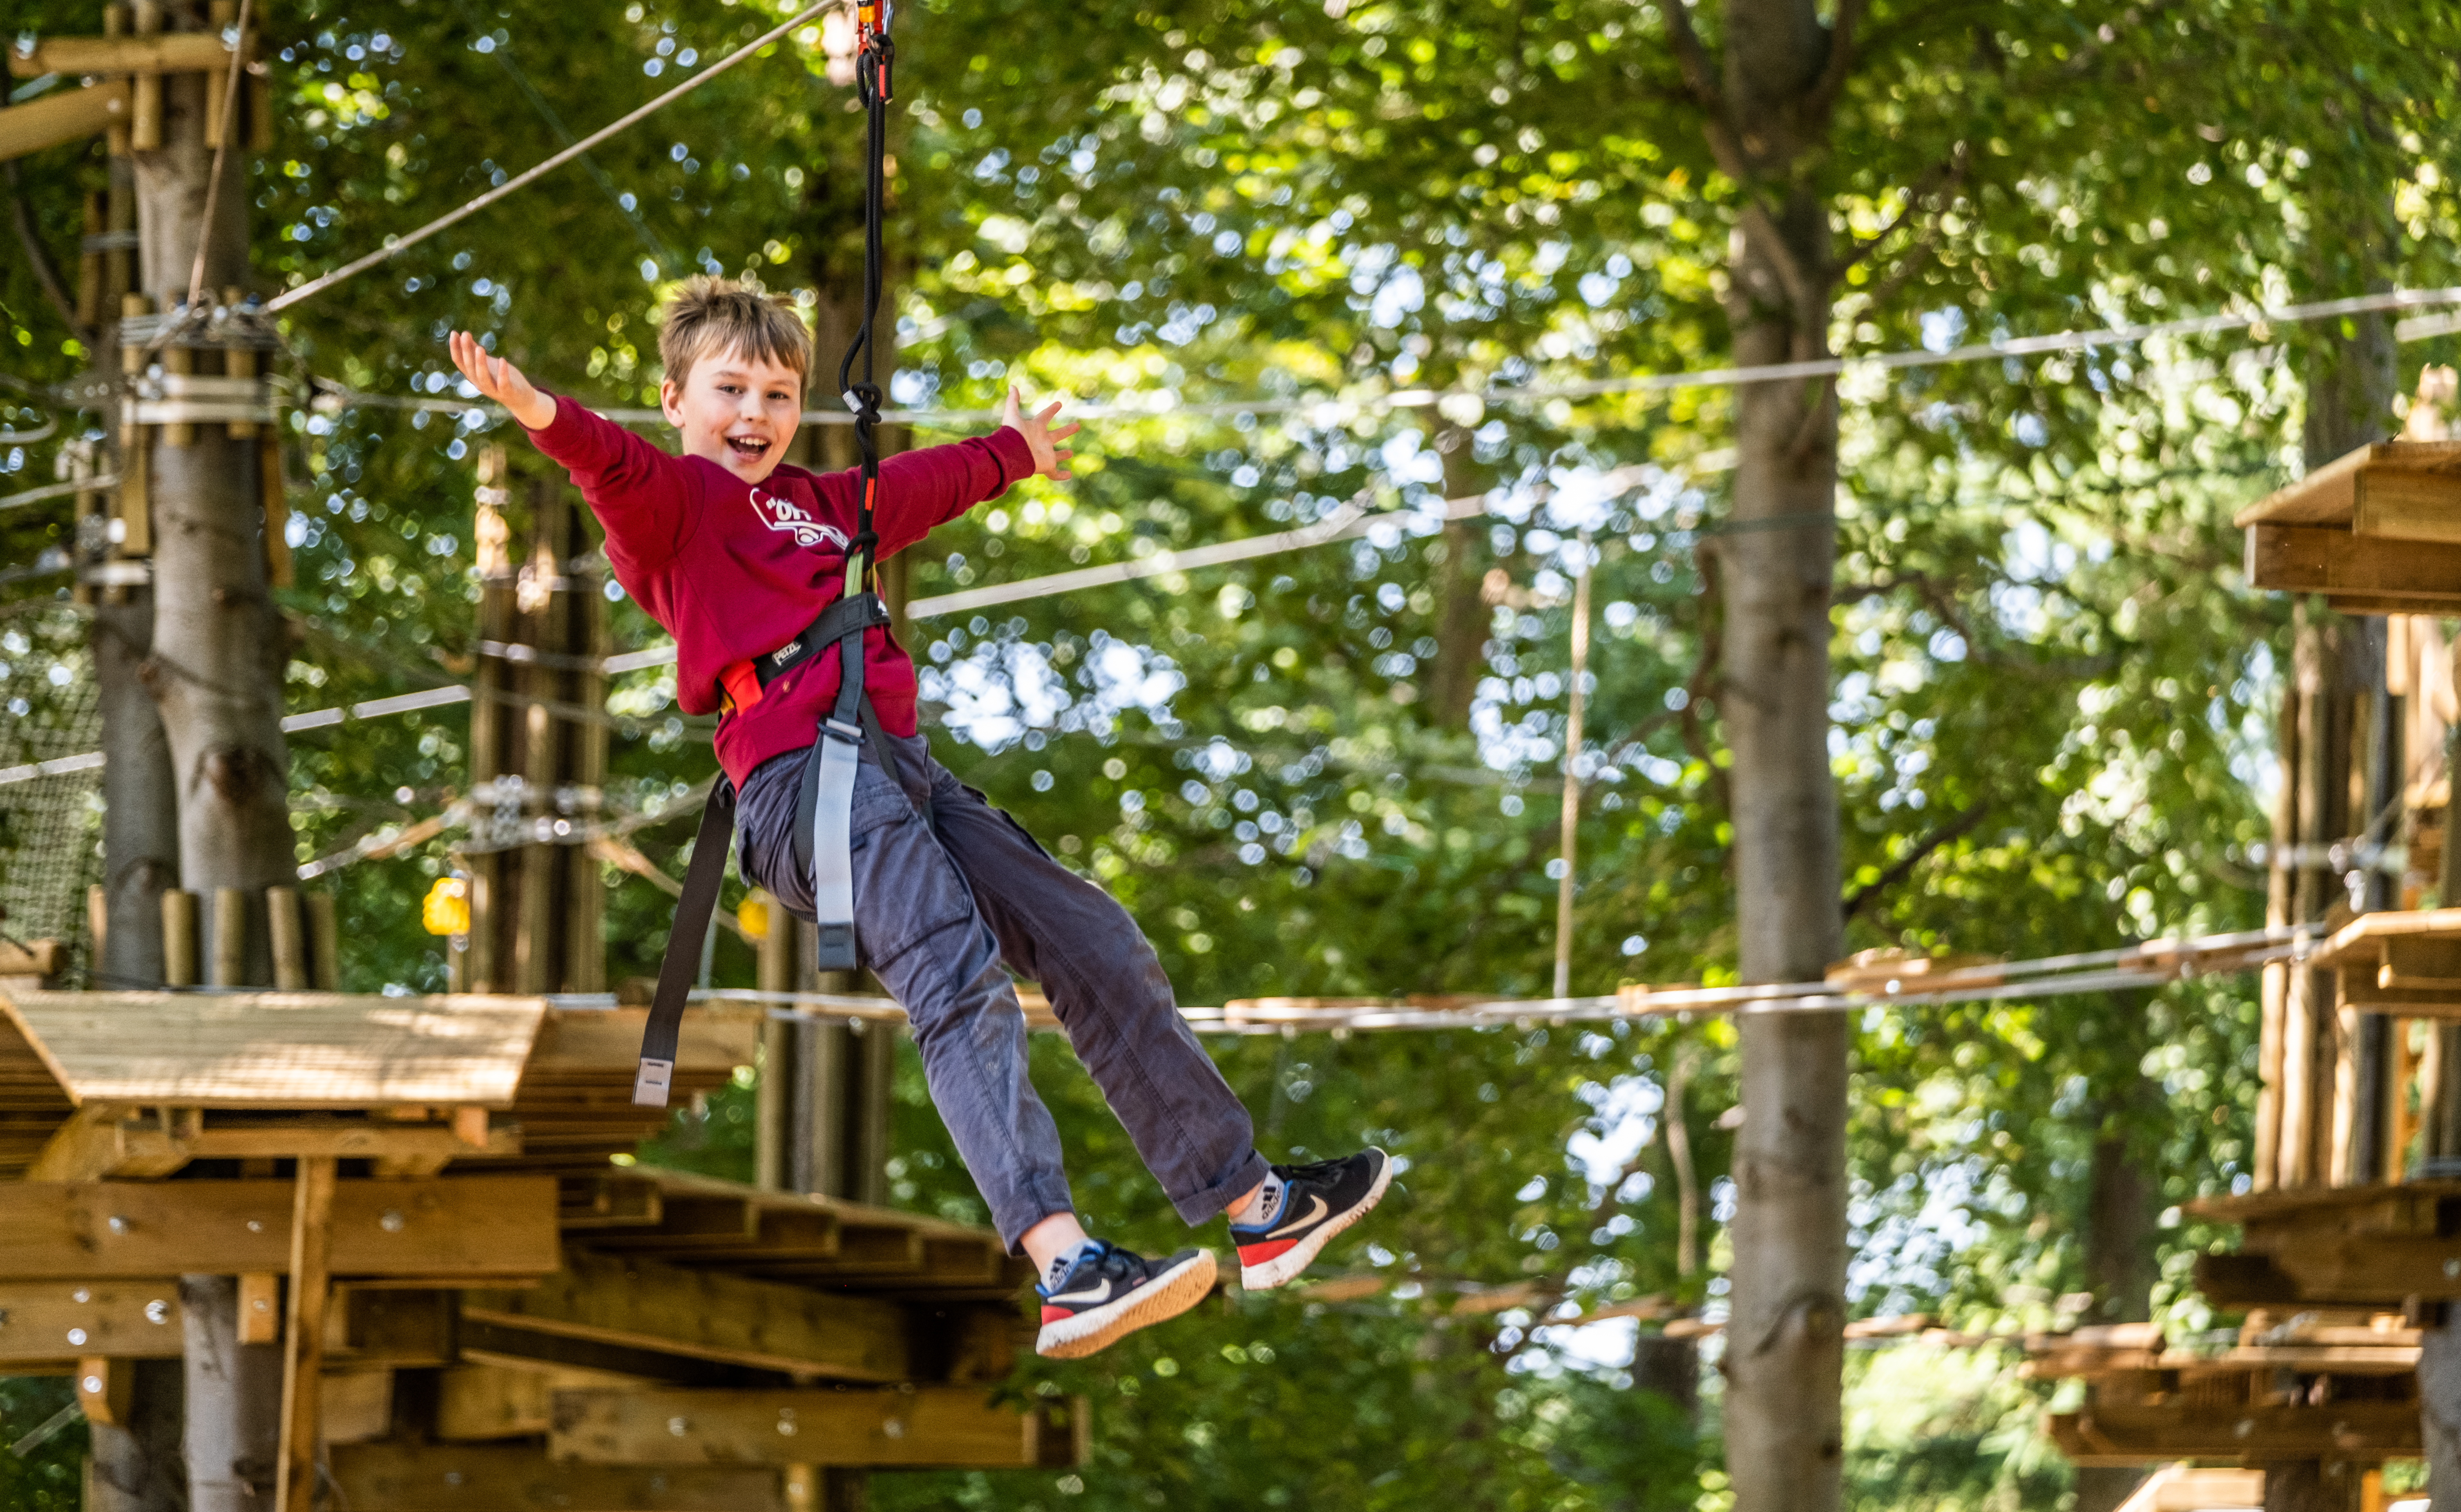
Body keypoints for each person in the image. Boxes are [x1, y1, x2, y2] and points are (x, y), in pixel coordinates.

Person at [448, 277, 1389, 1358]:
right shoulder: (672, 508)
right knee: (957, 976)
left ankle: (1254, 1206)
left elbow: (912, 487)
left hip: (903, 774)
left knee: (1094, 940)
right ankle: (1066, 1263)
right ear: (676, 401)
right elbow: (606, 467)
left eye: (778, 393)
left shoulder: (814, 500)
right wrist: (540, 414)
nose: (754, 415)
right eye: (730, 391)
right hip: (806, 782)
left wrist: (1013, 450)